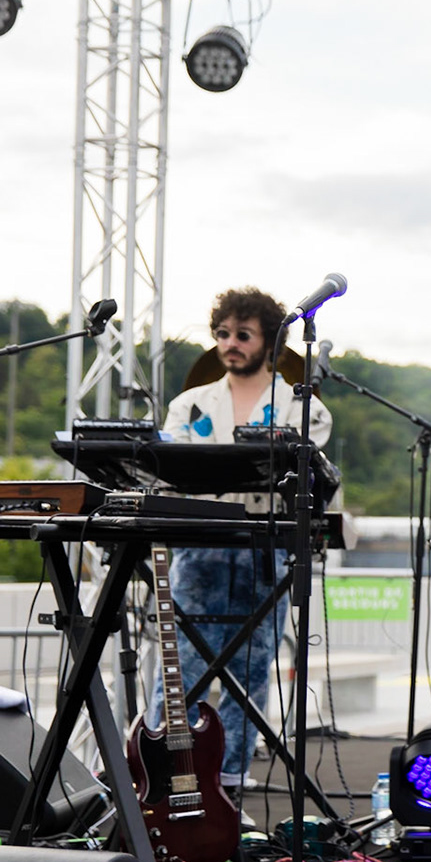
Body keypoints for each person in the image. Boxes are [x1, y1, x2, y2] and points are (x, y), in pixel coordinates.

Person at [151, 287, 332, 817]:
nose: (230, 344)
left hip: (264, 552)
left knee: (250, 675)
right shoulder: (189, 404)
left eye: (243, 335)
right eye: (223, 334)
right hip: (199, 553)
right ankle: (162, 780)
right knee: (183, 672)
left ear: (270, 342)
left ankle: (227, 786)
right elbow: (169, 472)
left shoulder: (305, 409)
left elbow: (304, 479)